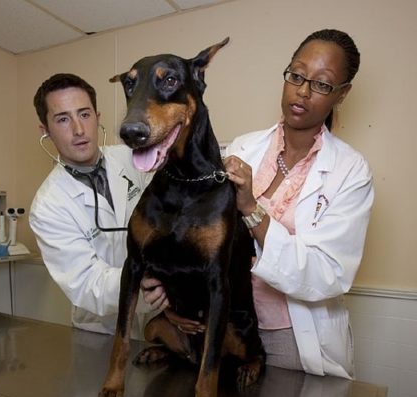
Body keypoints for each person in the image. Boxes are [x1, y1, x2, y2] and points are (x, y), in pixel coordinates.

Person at [146, 29, 373, 378]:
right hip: (223, 323)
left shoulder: (350, 171)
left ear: (342, 94)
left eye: (322, 85)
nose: (303, 90)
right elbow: (192, 237)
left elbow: (329, 275)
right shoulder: (240, 149)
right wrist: (168, 296)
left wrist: (252, 209)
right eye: (296, 75)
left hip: (291, 336)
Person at [29, 73, 160, 335]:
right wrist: (141, 282)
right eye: (63, 119)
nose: (78, 129)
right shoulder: (47, 206)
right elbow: (86, 282)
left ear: (97, 117)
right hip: (102, 329)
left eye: (85, 114)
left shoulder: (135, 160)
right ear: (45, 130)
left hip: (159, 317)